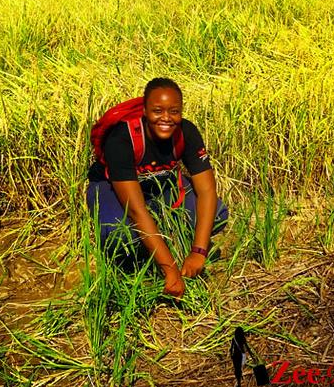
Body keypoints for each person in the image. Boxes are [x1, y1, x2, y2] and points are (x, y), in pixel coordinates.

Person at [87, 78, 229, 298]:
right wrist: (170, 269)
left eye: (174, 111)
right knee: (120, 236)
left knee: (218, 213)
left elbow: (208, 190)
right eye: (157, 111)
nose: (166, 118)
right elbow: (136, 210)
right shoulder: (122, 139)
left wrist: (198, 251)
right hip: (112, 189)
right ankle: (136, 267)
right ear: (144, 111)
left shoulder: (187, 132)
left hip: (157, 184)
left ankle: (163, 235)